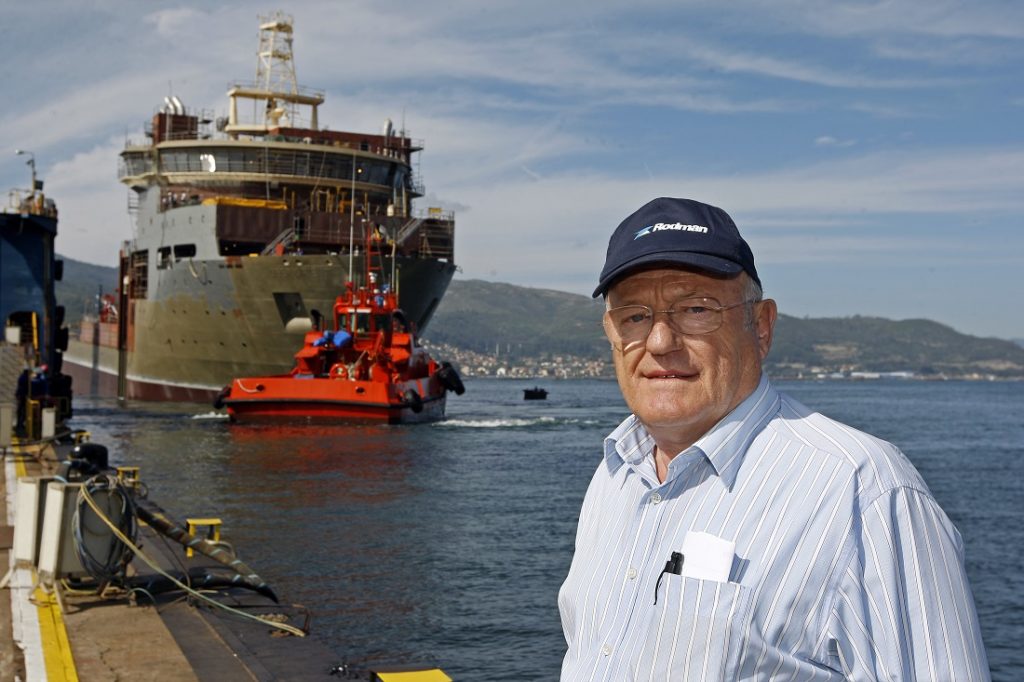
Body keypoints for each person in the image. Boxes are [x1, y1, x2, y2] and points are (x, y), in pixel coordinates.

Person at [558, 197, 989, 680]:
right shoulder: (615, 475)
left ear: (760, 327)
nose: (660, 342)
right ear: (612, 332)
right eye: (635, 317)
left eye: (696, 309)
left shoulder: (862, 492)